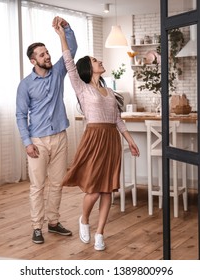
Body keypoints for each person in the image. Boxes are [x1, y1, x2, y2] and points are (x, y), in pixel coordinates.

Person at [54, 19, 140, 251]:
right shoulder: (81, 88)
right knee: (93, 189)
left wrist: (130, 142)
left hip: (111, 139)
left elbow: (118, 120)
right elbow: (68, 62)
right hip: (94, 139)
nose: (99, 61)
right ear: (87, 67)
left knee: (107, 189)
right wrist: (62, 34)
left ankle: (100, 232)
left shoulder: (110, 91)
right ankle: (84, 220)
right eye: (94, 60)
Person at [16, 16, 78, 244]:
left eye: (47, 52)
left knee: (57, 183)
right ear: (34, 61)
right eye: (42, 54)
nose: (48, 56)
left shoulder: (58, 72)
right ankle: (36, 226)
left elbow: (72, 50)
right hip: (38, 140)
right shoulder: (25, 85)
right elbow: (21, 115)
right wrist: (27, 142)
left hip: (60, 136)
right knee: (37, 186)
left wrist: (66, 28)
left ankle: (53, 222)